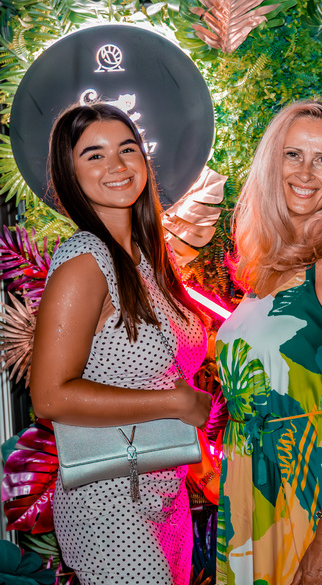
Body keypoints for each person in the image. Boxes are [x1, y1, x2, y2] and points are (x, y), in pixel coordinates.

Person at [31, 103, 212, 585]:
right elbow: (49, 396)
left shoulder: (144, 259)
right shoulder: (84, 260)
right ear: (69, 174)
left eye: (127, 149)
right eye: (94, 155)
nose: (116, 165)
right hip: (109, 501)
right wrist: (173, 403)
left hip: (163, 488)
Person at [216, 100, 322, 585]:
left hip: (319, 490)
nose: (305, 172)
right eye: (293, 154)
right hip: (253, 489)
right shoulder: (264, 263)